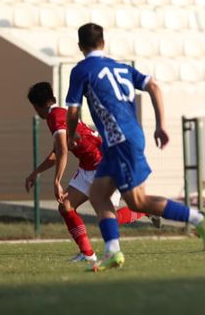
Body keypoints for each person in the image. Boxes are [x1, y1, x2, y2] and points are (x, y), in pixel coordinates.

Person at [65, 23, 205, 272]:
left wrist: (71, 136)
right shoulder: (121, 67)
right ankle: (112, 252)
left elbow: (72, 110)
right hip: (127, 137)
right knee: (99, 195)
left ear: (80, 46)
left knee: (137, 201)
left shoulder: (82, 70)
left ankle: (198, 218)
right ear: (104, 43)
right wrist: (160, 125)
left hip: (119, 140)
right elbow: (153, 86)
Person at [25, 82, 160, 263]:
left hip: (105, 165)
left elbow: (63, 150)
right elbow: (58, 151)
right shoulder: (59, 114)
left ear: (36, 107)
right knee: (66, 206)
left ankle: (145, 210)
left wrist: (57, 181)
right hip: (88, 166)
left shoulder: (55, 118)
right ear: (53, 99)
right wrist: (36, 172)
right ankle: (88, 254)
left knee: (108, 218)